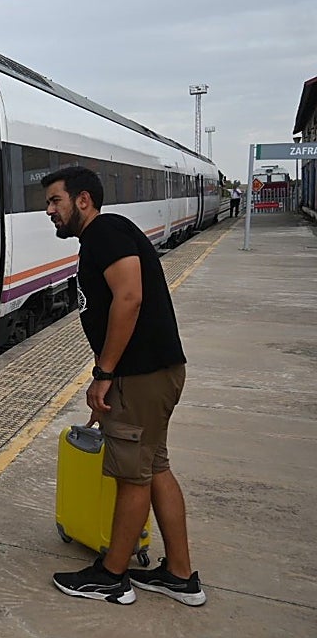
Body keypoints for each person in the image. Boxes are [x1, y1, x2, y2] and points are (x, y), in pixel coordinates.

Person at [41, 165, 205, 606]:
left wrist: (105, 374)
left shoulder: (104, 233)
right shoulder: (106, 234)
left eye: (55, 201)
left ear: (82, 200)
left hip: (141, 375)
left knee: (134, 476)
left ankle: (113, 577)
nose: (49, 211)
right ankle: (179, 575)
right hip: (152, 373)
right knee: (154, 469)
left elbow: (129, 297)